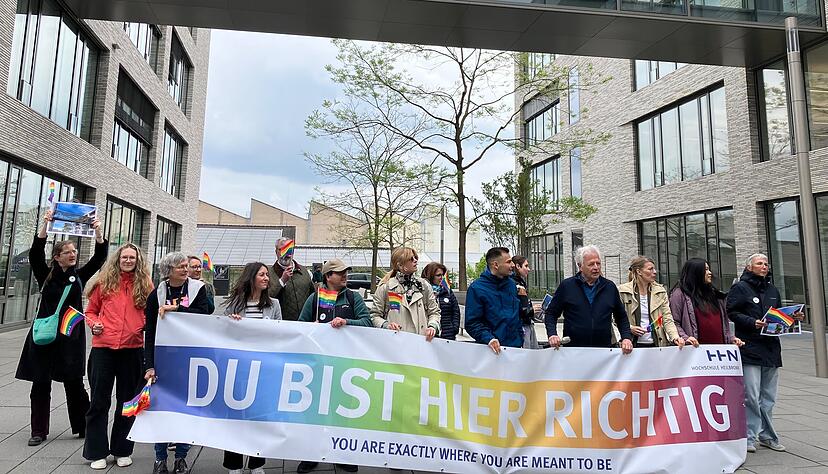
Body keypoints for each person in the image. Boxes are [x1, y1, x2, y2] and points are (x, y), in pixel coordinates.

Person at [15, 209, 107, 447]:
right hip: (45, 336)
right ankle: (38, 430)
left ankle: (83, 426)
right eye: (67, 252)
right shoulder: (45, 274)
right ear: (57, 256)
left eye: (74, 251)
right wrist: (45, 225)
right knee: (40, 383)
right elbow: (36, 253)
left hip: (70, 337)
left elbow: (99, 259)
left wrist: (98, 232)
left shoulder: (79, 276)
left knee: (74, 384)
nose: (73, 254)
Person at [83, 243, 153, 469]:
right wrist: (95, 324)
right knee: (99, 402)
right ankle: (97, 452)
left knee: (128, 402)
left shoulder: (146, 284)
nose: (129, 260)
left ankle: (122, 450)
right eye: (125, 257)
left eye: (133, 257)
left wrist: (140, 325)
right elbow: (91, 311)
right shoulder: (104, 282)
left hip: (132, 350)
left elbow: (151, 313)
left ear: (138, 261)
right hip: (103, 349)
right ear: (118, 258)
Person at [298, 258, 370, 473]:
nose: (345, 276)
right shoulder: (315, 297)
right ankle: (311, 454)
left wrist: (346, 322)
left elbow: (366, 322)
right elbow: (300, 325)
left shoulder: (353, 297)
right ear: (328, 277)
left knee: (343, 411)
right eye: (340, 273)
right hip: (318, 364)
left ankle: (343, 454)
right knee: (315, 410)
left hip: (346, 364)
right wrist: (313, 327)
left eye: (346, 272)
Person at [727, 253, 804, 454]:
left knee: (768, 397)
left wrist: (793, 317)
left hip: (770, 349)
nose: (764, 266)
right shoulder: (740, 288)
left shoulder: (772, 289)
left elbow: (779, 314)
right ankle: (749, 437)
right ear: (749, 267)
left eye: (766, 263)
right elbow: (731, 312)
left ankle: (767, 436)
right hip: (750, 347)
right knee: (751, 395)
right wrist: (752, 322)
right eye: (759, 263)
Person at [144, 252, 211, 474]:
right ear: (168, 270)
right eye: (180, 267)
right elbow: (150, 332)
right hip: (164, 358)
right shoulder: (156, 294)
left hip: (190, 357)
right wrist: (149, 365)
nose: (185, 269)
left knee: (186, 408)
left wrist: (178, 310)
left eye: (186, 266)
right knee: (162, 408)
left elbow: (203, 316)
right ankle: (159, 458)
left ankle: (181, 456)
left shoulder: (197, 289)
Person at [222, 262, 281, 474]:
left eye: (267, 275)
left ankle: (257, 463)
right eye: (262, 275)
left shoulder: (273, 305)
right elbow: (221, 333)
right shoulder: (235, 304)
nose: (267, 278)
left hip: (263, 369)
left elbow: (279, 334)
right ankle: (234, 464)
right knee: (236, 417)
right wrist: (232, 323)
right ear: (251, 277)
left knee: (260, 417)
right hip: (239, 369)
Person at [545, 245, 633, 353]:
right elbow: (551, 313)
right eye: (591, 264)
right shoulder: (567, 286)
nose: (596, 267)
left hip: (603, 351)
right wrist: (552, 334)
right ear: (580, 266)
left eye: (598, 263)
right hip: (573, 351)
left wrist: (626, 337)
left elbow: (621, 317)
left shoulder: (609, 287)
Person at [669, 258, 744, 348]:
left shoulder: (716, 295)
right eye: (705, 270)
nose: (709, 273)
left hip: (719, 351)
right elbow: (673, 322)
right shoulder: (679, 295)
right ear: (695, 273)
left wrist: (731, 338)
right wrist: (686, 338)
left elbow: (726, 322)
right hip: (695, 351)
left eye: (709, 269)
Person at [371, 247, 440, 340]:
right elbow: (374, 316)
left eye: (415, 257)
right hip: (395, 344)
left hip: (421, 344)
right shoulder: (386, 288)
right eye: (411, 259)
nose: (415, 260)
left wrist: (432, 326)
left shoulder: (424, 286)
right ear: (400, 265)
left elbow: (434, 312)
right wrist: (386, 325)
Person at [617, 256, 684, 348]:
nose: (655, 272)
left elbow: (667, 318)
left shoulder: (660, 291)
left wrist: (675, 337)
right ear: (639, 271)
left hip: (657, 344)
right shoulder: (622, 291)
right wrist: (630, 328)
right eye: (650, 269)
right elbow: (615, 319)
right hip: (631, 345)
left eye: (654, 269)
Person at [465, 247, 523, 354]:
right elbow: (472, 323)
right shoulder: (476, 288)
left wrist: (520, 338)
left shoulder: (511, 285)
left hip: (515, 350)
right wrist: (488, 339)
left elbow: (517, 316)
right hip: (490, 351)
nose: (513, 265)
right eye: (509, 262)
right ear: (495, 265)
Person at [268, 237, 315, 321]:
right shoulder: (268, 274)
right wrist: (282, 281)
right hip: (281, 325)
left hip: (304, 324)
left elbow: (313, 296)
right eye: (281, 249)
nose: (286, 254)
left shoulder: (304, 272)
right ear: (276, 252)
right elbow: (267, 299)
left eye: (289, 249)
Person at [421, 262, 461, 340]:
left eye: (442, 275)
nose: (441, 278)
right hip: (428, 336)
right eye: (438, 275)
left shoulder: (447, 291)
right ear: (430, 275)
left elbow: (455, 310)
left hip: (447, 335)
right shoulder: (422, 292)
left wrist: (454, 328)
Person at [511, 256, 539, 349]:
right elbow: (518, 309)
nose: (529, 269)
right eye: (526, 266)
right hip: (522, 326)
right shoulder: (513, 284)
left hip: (527, 323)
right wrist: (531, 310)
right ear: (518, 266)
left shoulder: (521, 282)